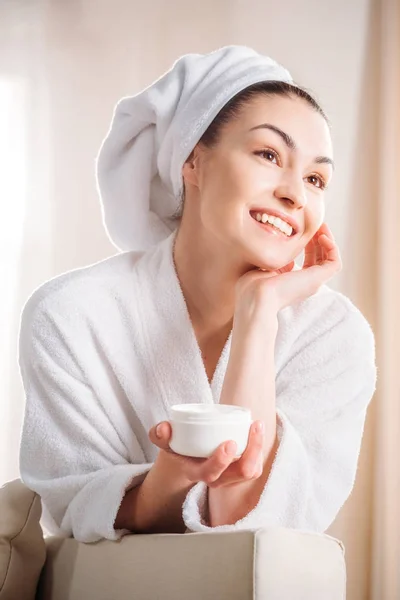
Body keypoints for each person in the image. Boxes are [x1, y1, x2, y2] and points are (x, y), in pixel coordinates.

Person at [18, 46, 377, 543]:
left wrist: (260, 316)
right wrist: (165, 483)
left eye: (316, 178)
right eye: (269, 154)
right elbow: (78, 506)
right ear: (193, 160)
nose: (296, 193)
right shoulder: (72, 316)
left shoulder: (335, 336)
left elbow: (252, 527)